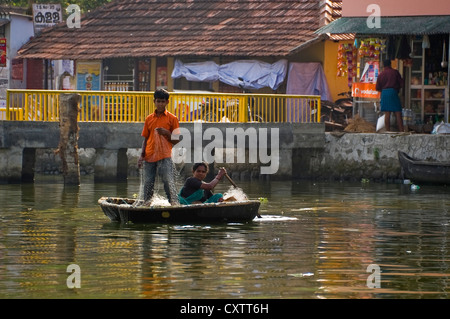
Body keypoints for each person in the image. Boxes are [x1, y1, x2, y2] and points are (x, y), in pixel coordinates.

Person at [138, 89, 180, 204]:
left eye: (163, 101)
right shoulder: (149, 118)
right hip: (149, 155)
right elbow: (146, 138)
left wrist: (166, 133)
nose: (160, 104)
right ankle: (147, 204)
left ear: (167, 102)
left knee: (168, 181)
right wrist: (142, 155)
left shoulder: (172, 118)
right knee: (148, 182)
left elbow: (176, 140)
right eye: (158, 101)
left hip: (164, 155)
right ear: (154, 101)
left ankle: (173, 204)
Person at [376, 59, 405, 132]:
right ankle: (402, 131)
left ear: (383, 65)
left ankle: (388, 131)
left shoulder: (381, 74)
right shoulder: (395, 72)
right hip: (393, 92)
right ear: (390, 64)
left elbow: (377, 88)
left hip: (384, 93)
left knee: (387, 113)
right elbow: (401, 83)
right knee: (398, 112)